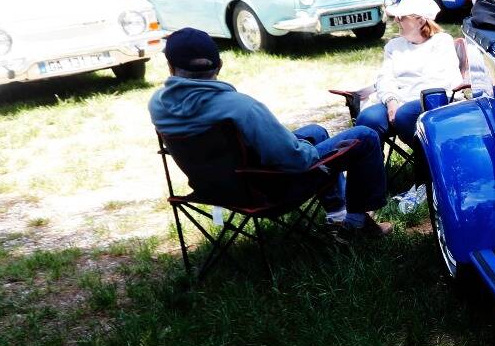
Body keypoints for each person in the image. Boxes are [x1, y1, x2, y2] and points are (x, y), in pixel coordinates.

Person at [149, 27, 387, 237]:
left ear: (170, 67)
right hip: (267, 193)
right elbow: (296, 160)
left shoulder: (157, 105)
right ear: (219, 65)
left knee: (315, 131)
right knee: (365, 136)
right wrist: (307, 150)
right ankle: (356, 225)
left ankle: (337, 213)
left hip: (213, 188)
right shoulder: (240, 107)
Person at [354, 0, 470, 143]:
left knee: (405, 115)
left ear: (421, 21)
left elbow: (435, 83)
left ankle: (428, 162)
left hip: (435, 102)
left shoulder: (441, 42)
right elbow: (385, 78)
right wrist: (391, 100)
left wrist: (400, 103)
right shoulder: (393, 46)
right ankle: (373, 164)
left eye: (401, 17)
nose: (396, 20)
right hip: (397, 101)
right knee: (368, 118)